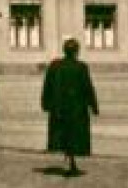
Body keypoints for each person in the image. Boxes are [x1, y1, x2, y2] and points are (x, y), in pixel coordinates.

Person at [41, 36, 99, 177]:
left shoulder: (54, 66)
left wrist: (45, 103)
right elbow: (88, 87)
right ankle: (72, 162)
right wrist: (94, 105)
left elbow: (47, 86)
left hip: (59, 107)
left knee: (63, 134)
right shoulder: (81, 67)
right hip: (76, 108)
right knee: (74, 136)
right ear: (76, 52)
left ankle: (70, 161)